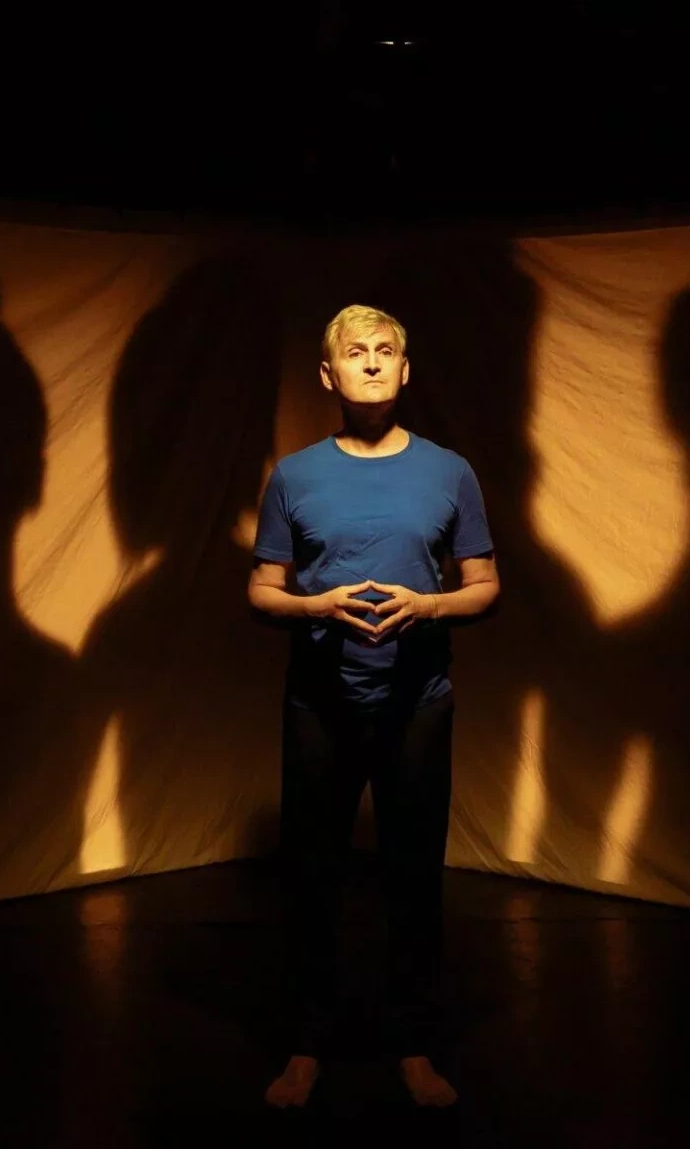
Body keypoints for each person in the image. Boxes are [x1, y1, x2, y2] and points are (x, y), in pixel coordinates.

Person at [248, 303, 500, 1109]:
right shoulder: (295, 475)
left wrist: (427, 607)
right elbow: (262, 588)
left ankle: (414, 1045)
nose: (371, 362)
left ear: (405, 369)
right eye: (354, 352)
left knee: (413, 879)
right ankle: (306, 1045)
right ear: (328, 375)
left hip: (416, 704)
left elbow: (484, 584)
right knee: (312, 878)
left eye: (385, 350)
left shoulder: (450, 471)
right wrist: (314, 607)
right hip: (320, 705)